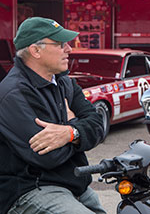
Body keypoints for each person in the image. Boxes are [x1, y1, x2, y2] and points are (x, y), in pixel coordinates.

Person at [0, 17, 107, 214]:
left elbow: (98, 125)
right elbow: (48, 157)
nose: (69, 49)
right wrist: (79, 130)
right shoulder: (13, 93)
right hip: (31, 188)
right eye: (60, 44)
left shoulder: (64, 82)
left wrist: (70, 131)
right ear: (35, 51)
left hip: (74, 182)